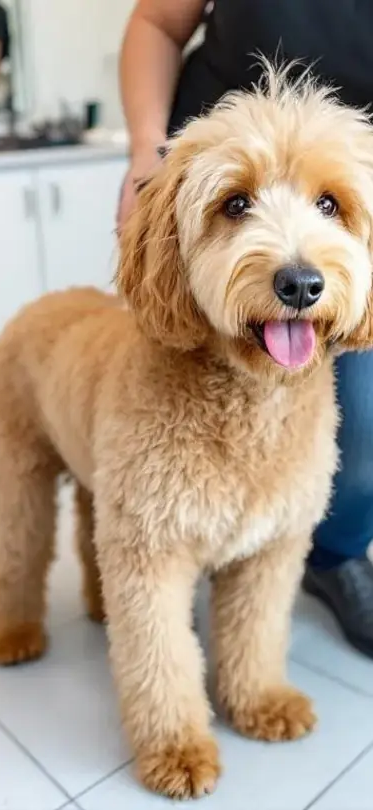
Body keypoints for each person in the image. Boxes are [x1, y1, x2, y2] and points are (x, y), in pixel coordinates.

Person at [117, 0, 373, 658]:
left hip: (356, 167)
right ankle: (176, 560)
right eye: (241, 208)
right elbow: (156, 22)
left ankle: (333, 553)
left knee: (361, 430)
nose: (296, 271)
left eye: (322, 207)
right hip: (204, 153)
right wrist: (147, 153)